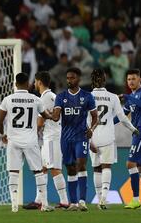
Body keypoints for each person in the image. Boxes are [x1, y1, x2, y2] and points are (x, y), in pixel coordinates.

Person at [0, 72, 47, 212]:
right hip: (31, 141)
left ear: (15, 84)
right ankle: (44, 204)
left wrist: (3, 134)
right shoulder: (35, 99)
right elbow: (45, 116)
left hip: (14, 141)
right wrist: (53, 115)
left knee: (13, 172)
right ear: (28, 84)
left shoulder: (8, 99)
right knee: (38, 172)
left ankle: (13, 206)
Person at [50, 67, 98, 211]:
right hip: (65, 138)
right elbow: (56, 116)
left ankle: (83, 201)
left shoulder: (87, 96)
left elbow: (95, 116)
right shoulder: (60, 96)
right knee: (70, 168)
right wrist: (53, 114)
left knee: (81, 165)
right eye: (68, 78)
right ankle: (73, 203)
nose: (69, 80)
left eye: (72, 78)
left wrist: (91, 129)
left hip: (81, 136)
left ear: (79, 79)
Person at [89, 69, 138, 210]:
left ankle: (99, 198)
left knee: (96, 168)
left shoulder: (88, 96)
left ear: (92, 80)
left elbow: (84, 120)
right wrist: (133, 129)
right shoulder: (113, 97)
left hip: (92, 137)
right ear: (105, 79)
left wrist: (87, 139)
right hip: (108, 137)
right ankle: (104, 199)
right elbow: (122, 118)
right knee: (106, 166)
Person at [35, 71, 69, 209]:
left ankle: (64, 201)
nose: (34, 84)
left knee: (54, 169)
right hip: (50, 137)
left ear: (39, 82)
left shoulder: (46, 98)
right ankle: (39, 200)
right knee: (42, 168)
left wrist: (32, 133)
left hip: (52, 137)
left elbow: (40, 122)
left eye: (35, 81)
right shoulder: (50, 96)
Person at [118, 69, 141, 209]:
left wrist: (128, 97)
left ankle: (135, 200)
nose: (131, 82)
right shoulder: (132, 97)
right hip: (138, 133)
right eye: (128, 79)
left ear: (140, 79)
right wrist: (105, 123)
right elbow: (122, 116)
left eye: (133, 79)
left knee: (130, 163)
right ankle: (138, 201)